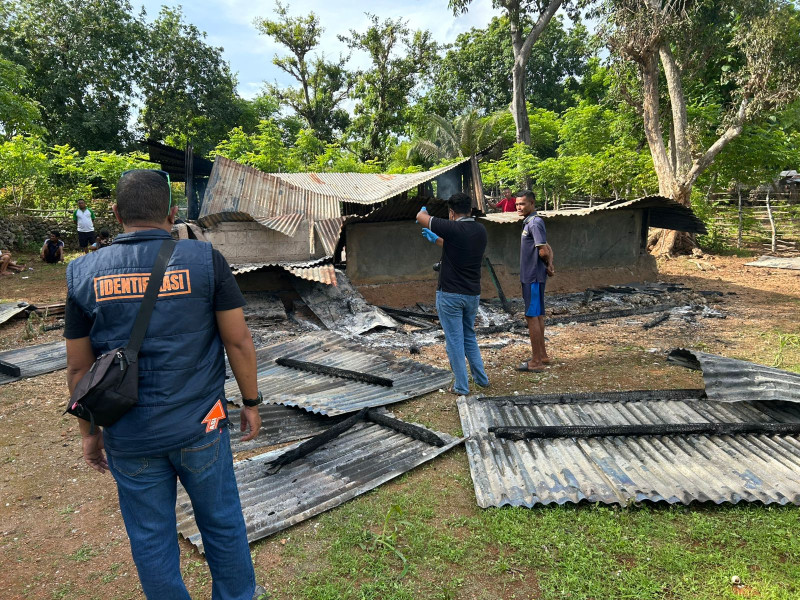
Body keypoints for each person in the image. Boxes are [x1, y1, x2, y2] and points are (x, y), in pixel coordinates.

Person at [64, 170, 268, 600]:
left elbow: (78, 371)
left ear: (117, 213)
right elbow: (238, 339)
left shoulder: (82, 273)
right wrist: (251, 402)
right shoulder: (205, 260)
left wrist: (90, 434)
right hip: (202, 426)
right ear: (172, 213)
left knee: (151, 537)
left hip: (128, 435)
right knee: (222, 522)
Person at [416, 193, 490, 395]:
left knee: (454, 341)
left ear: (451, 212)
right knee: (468, 337)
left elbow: (420, 218)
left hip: (450, 295)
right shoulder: (479, 230)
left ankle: (461, 386)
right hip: (472, 294)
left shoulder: (454, 227)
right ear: (470, 209)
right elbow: (456, 245)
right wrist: (438, 240)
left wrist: (423, 210)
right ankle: (481, 379)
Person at [515, 190, 555, 372]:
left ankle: (536, 361)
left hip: (533, 276)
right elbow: (548, 246)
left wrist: (548, 263)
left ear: (532, 203)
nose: (518, 207)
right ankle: (543, 355)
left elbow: (544, 250)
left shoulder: (535, 223)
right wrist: (550, 265)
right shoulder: (530, 223)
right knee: (538, 315)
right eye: (517, 204)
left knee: (532, 316)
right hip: (533, 276)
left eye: (522, 204)